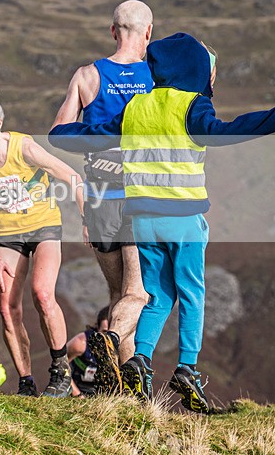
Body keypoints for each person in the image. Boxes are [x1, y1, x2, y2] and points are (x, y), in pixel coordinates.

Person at [49, 32, 275, 413]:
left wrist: (60, 134)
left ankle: (140, 361)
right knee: (192, 293)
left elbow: (91, 135)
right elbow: (227, 131)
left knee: (157, 295)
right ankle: (188, 368)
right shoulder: (192, 106)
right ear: (195, 71)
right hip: (183, 219)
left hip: (141, 221)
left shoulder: (137, 107)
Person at [0, 85, 86, 398]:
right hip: (7, 234)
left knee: (42, 294)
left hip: (44, 227)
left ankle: (60, 373)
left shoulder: (23, 147)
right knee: (6, 307)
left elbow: (72, 177)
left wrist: (87, 220)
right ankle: (26, 382)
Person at [50, 0, 153, 392]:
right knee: (137, 294)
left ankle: (123, 394)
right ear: (147, 33)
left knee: (116, 296)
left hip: (98, 200)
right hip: (140, 197)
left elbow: (59, 133)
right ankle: (129, 386)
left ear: (113, 31)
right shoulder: (156, 77)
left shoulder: (87, 76)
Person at [66, 306, 110, 397]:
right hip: (78, 390)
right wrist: (77, 395)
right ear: (97, 328)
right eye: (104, 332)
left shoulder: (124, 347)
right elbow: (60, 366)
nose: (108, 338)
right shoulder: (80, 343)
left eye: (112, 333)